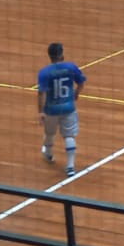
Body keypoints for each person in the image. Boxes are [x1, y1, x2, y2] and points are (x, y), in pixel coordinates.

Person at [38, 43, 86, 177]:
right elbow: (81, 82)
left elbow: (41, 93)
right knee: (69, 136)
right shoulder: (71, 67)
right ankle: (70, 166)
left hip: (51, 109)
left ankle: (49, 154)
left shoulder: (44, 72)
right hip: (68, 108)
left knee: (49, 133)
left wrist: (41, 111)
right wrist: (77, 92)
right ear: (62, 54)